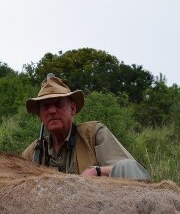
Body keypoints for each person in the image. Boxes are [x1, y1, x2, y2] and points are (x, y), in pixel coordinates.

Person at [22, 75, 150, 180]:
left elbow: (129, 169)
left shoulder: (94, 134)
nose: (52, 111)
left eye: (58, 104)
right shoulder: (33, 152)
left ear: (72, 109)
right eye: (45, 107)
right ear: (40, 116)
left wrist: (95, 172)